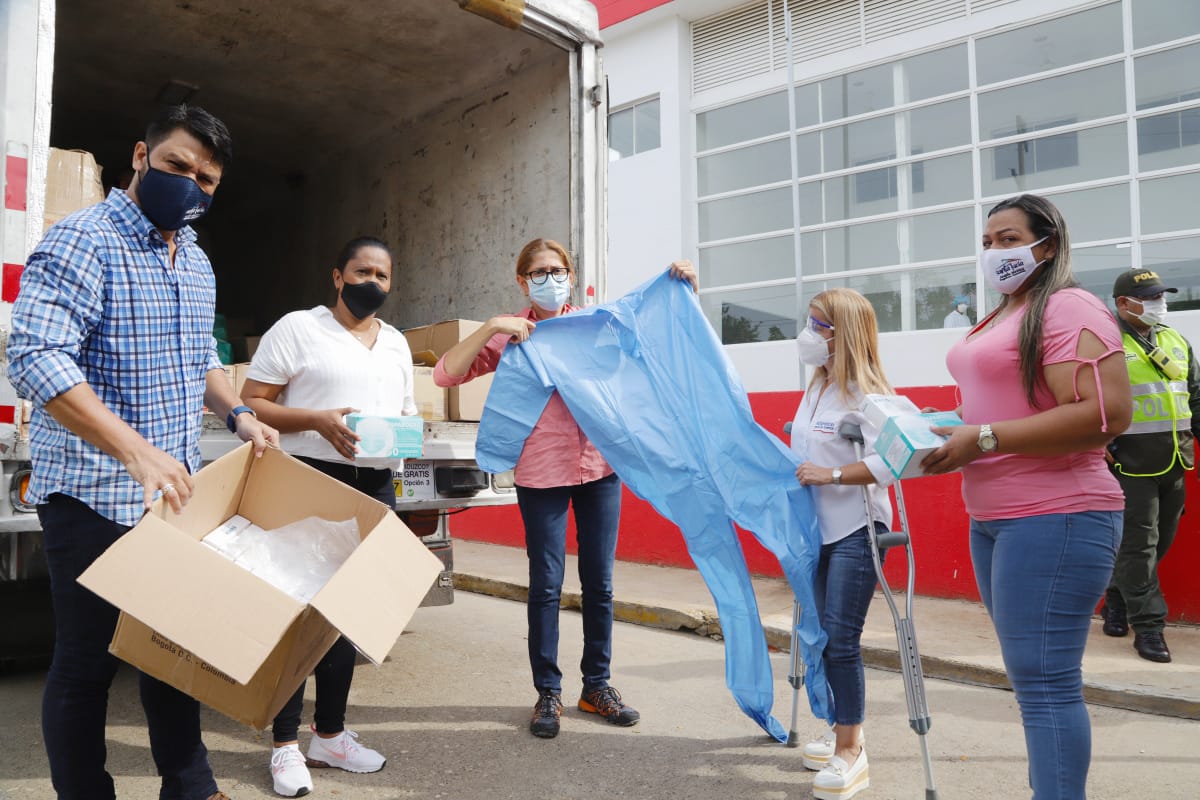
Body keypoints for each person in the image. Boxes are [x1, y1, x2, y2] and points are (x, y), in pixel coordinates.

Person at [6, 104, 277, 800]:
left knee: (171, 649)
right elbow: (35, 357)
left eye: (206, 180)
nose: (190, 185)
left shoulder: (196, 260)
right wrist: (133, 449)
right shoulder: (83, 242)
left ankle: (189, 784)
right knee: (86, 664)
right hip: (94, 494)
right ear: (140, 156)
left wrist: (240, 413)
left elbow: (202, 361)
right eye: (178, 166)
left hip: (171, 498)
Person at [434, 239, 696, 740]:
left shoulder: (592, 326)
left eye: (556, 270)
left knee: (600, 583)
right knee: (547, 586)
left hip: (600, 466)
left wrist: (677, 288)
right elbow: (447, 374)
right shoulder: (513, 335)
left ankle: (596, 687)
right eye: (537, 272)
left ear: (571, 276)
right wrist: (492, 326)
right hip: (541, 473)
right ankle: (547, 693)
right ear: (521, 280)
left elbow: (654, 345)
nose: (548, 279)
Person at [920, 194, 1132, 799]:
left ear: (1048, 244)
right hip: (994, 518)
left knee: (1046, 685)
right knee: (1032, 680)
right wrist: (940, 429)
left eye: (1009, 239)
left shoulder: (1069, 306)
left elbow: (1106, 412)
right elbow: (1003, 405)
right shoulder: (1003, 314)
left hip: (1058, 514)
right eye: (988, 242)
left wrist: (982, 438)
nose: (995, 252)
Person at [240, 236, 414, 796]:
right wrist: (316, 420)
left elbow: (406, 415)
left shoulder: (396, 344)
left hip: (376, 485)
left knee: (347, 616)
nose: (372, 283)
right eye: (362, 272)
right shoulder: (299, 328)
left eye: (382, 276)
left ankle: (331, 735)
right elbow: (253, 400)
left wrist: (406, 440)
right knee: (300, 615)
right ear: (337, 276)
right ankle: (285, 744)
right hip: (315, 480)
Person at [791, 288, 896, 800]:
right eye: (809, 322)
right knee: (818, 636)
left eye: (819, 326)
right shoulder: (815, 390)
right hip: (818, 534)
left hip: (859, 530)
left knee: (839, 639)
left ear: (844, 335)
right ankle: (842, 731)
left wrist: (831, 472)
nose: (808, 334)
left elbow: (894, 461)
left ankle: (852, 751)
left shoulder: (868, 396)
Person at [1100, 268, 1198, 663]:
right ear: (1123, 303)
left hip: (1175, 459)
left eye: (1161, 295)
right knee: (1139, 546)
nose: (1160, 303)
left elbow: (1195, 396)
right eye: (1151, 297)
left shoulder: (1175, 340)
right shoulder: (1105, 344)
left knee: (1162, 540)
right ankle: (1149, 627)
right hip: (1131, 464)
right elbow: (1083, 399)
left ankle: (1115, 599)